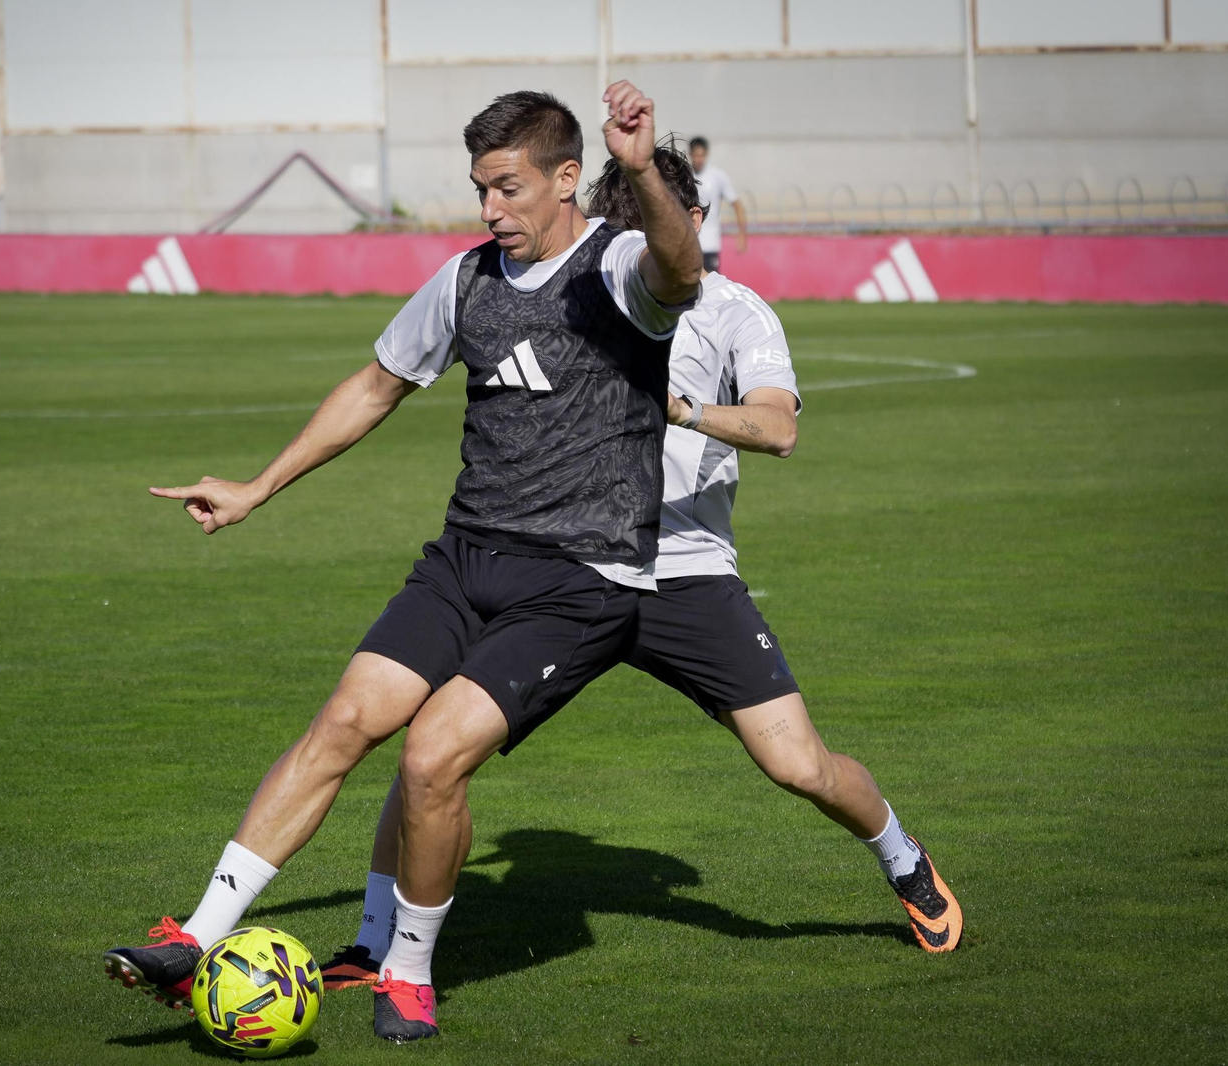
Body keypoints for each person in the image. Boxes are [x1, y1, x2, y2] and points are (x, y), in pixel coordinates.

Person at [105, 81, 703, 1044]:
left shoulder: (624, 266)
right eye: (479, 189)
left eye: (508, 188)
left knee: (431, 759)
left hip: (583, 581)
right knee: (344, 722)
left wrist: (640, 171)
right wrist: (260, 486)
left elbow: (681, 269)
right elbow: (377, 385)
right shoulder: (466, 280)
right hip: (467, 559)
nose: (489, 209)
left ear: (565, 178)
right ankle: (196, 937)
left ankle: (408, 972)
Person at [317, 145, 962, 1003]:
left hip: (685, 576)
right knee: (429, 747)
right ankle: (373, 944)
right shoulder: (579, 290)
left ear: (691, 225)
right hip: (562, 568)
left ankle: (904, 859)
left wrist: (683, 407)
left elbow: (780, 431)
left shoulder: (737, 314)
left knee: (798, 765)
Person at [689, 135, 748, 269]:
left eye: (702, 155)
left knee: (710, 285)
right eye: (696, 155)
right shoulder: (685, 175)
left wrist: (742, 234)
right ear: (690, 154)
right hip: (689, 242)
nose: (700, 159)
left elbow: (737, 205)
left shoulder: (717, 176)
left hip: (710, 243)